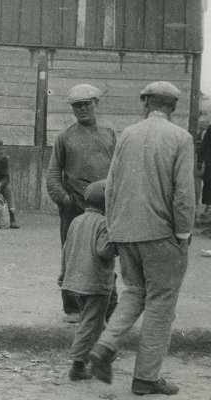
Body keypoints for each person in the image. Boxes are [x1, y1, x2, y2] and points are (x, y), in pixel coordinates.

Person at [88, 81, 195, 396]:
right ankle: (146, 377)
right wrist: (183, 234)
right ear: (173, 107)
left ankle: (105, 346)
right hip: (162, 233)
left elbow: (111, 186)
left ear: (145, 103)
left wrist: (115, 227)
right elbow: (184, 194)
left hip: (125, 231)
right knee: (162, 303)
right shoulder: (181, 138)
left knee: (135, 292)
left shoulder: (128, 135)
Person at [46, 84, 116, 323]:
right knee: (71, 254)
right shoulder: (65, 137)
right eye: (77, 106)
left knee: (105, 253)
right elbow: (53, 175)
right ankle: (73, 308)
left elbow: (119, 170)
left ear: (96, 103)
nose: (82, 109)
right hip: (74, 207)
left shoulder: (109, 134)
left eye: (86, 104)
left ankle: (107, 307)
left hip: (105, 207)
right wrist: (64, 200)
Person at [57, 180, 117, 381]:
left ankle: (103, 355)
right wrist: (117, 243)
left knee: (92, 322)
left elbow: (66, 250)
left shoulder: (76, 221)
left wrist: (63, 274)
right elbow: (104, 250)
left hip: (74, 283)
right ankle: (78, 364)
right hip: (96, 284)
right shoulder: (104, 224)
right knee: (90, 324)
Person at [197, 124, 211, 212]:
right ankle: (208, 205)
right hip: (210, 163)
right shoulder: (210, 129)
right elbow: (204, 145)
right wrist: (200, 160)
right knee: (208, 183)